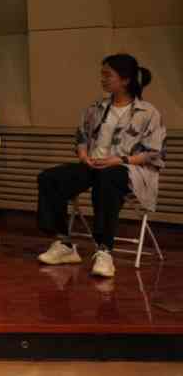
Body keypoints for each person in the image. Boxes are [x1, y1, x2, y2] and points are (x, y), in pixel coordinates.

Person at [36, 54, 166, 278]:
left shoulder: (148, 112)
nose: (102, 79)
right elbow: (81, 136)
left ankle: (104, 250)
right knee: (50, 178)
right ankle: (63, 243)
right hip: (94, 165)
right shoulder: (96, 107)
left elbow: (154, 153)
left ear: (125, 80)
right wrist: (83, 154)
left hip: (127, 169)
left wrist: (120, 160)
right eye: (102, 74)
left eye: (108, 75)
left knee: (108, 178)